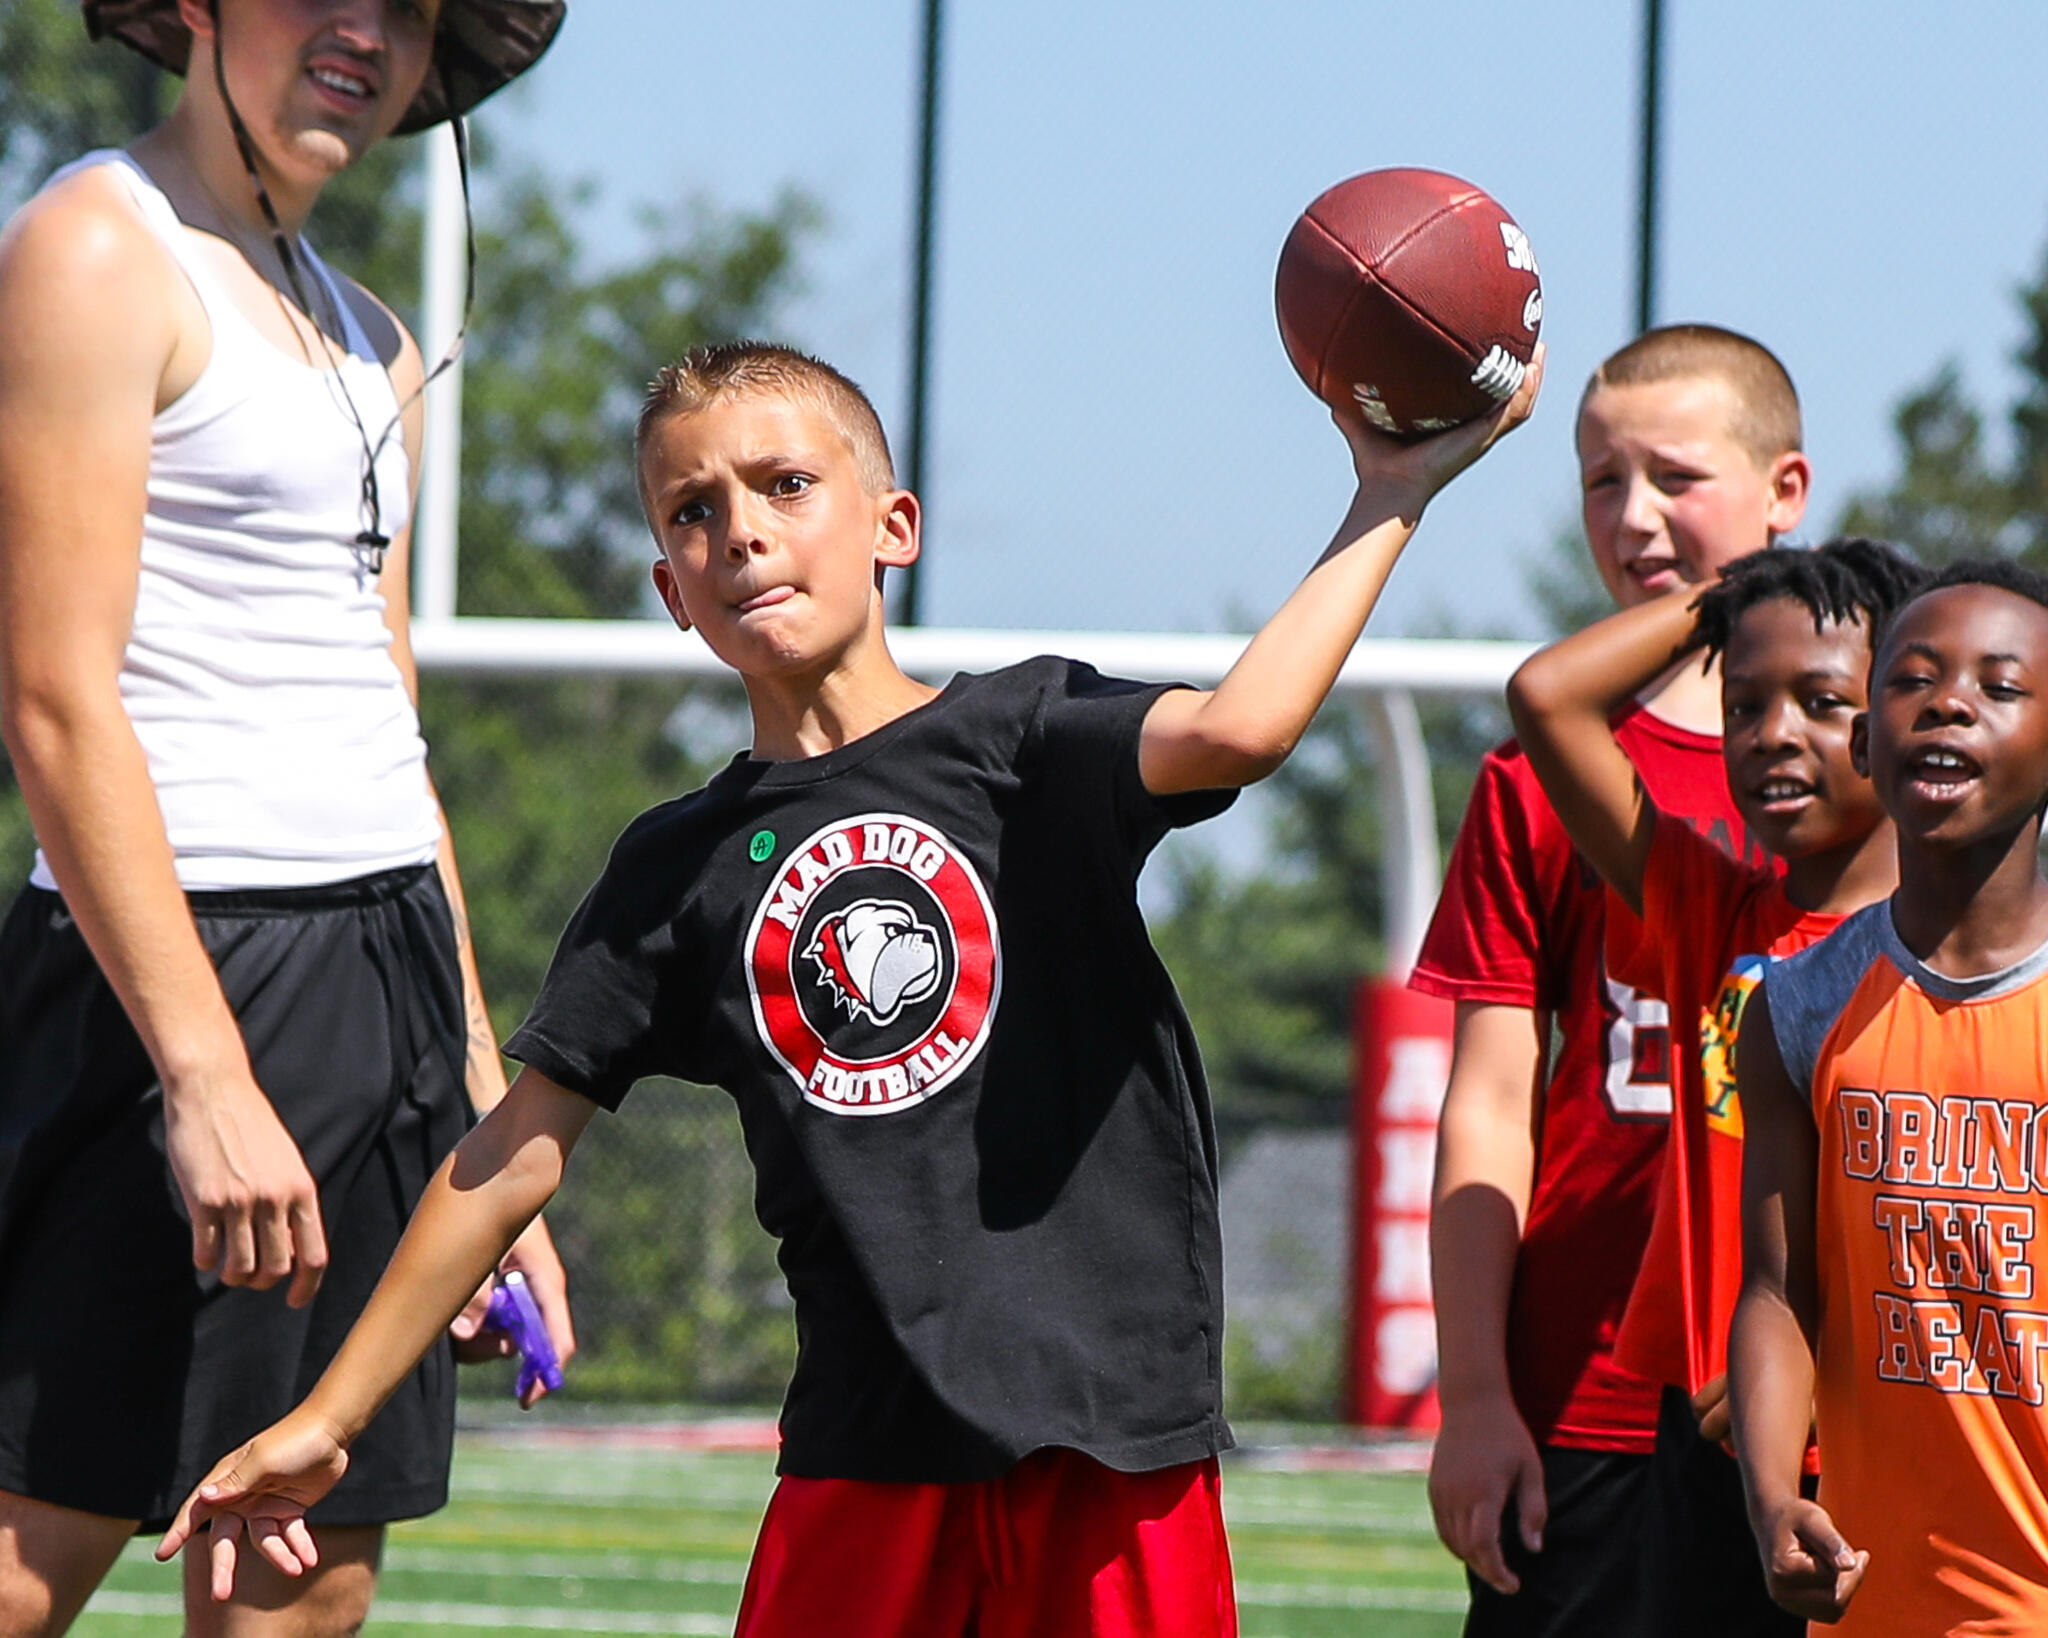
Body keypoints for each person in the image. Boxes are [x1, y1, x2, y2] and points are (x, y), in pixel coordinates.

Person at [151, 337, 1541, 1635]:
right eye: (690, 511)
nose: (738, 527)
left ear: (894, 528)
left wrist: (1393, 490)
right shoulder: (676, 867)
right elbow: (510, 1156)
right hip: (865, 1455)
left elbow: (1244, 725)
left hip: (1110, 1439)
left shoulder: (1022, 736)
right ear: (669, 592)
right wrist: (335, 1408)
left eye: (784, 483)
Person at [0, 1, 568, 1632]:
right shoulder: (98, 250)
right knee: (28, 1557)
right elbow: (53, 696)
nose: (366, 32)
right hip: (167, 983)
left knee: (296, 1578)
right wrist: (201, 1074)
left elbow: (387, 728)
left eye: (407, 8)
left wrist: (478, 1108)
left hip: (378, 983)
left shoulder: (373, 334)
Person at [1418, 324, 1809, 1636]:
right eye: (1600, 480)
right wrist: (1475, 1394)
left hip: (1823, 1411)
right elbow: (1487, 1105)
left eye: (1675, 477)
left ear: (1786, 494)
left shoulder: (1881, 789)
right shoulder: (1534, 788)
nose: (1633, 515)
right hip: (1582, 1404)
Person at [1507, 539, 1925, 1631]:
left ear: (1899, 719)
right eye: (1743, 704)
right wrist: (1731, 596)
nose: (1773, 734)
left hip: (1876, 1443)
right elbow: (1545, 695)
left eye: (1821, 700)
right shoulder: (1709, 917)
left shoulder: (1954, 958)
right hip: (1700, 1437)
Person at [1731, 560, 2048, 1634]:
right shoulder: (1794, 1009)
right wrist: (1775, 1498)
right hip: (1879, 1612)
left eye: (1998, 686)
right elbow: (1778, 1294)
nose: (1948, 701)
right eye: (1909, 679)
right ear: (1864, 743)